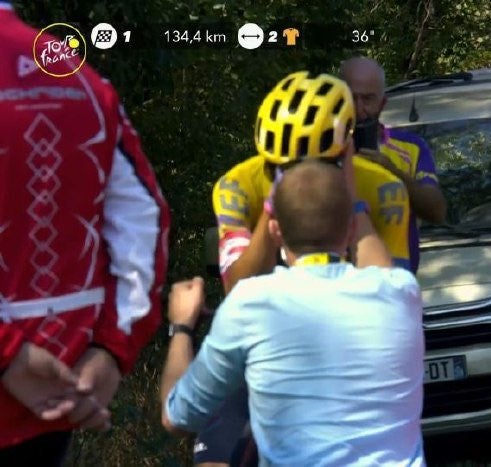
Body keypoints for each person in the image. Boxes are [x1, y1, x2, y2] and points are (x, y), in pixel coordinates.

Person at [199, 71, 414, 466]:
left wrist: (349, 199)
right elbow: (237, 288)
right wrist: (274, 202)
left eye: (319, 163)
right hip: (268, 342)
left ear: (344, 151)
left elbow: (388, 294)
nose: (304, 176)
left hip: (350, 346)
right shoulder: (237, 185)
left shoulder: (384, 189)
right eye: (283, 165)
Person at [161, 160, 425, 466]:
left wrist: (181, 327)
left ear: (275, 231)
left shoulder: (251, 303)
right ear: (351, 227)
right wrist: (347, 167)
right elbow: (375, 260)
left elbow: (176, 417)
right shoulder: (400, 291)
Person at [0, 2, 171, 464]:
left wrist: (8, 354)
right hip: (58, 394)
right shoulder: (78, 77)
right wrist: (111, 350)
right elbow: (144, 221)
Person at [339, 56, 447, 273]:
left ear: (382, 103)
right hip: (338, 288)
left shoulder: (410, 147)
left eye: (368, 99)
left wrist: (393, 173)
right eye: (351, 97)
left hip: (395, 286)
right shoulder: (320, 148)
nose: (359, 109)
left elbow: (437, 211)